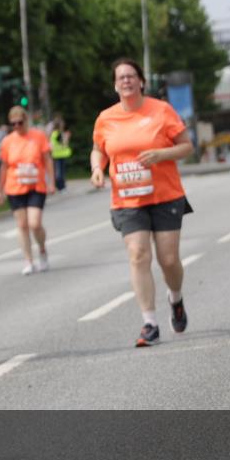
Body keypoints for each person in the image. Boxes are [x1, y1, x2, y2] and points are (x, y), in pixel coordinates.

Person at [91, 58, 194, 348]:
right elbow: (98, 150)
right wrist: (97, 168)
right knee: (138, 254)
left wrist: (161, 155)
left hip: (165, 195)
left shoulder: (161, 111)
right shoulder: (106, 118)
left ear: (141, 81)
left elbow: (187, 146)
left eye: (131, 76)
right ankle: (149, 322)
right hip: (127, 198)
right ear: (115, 84)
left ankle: (175, 298)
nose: (126, 81)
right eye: (121, 77)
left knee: (169, 260)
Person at [0, 106, 56, 275]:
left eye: (20, 123)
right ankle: (29, 260)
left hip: (36, 186)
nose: (16, 126)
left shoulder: (38, 136)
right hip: (15, 187)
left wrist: (51, 182)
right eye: (13, 124)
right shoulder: (8, 141)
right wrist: (0, 190)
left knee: (34, 223)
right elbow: (4, 166)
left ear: (26, 121)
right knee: (22, 225)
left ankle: (42, 250)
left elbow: (48, 160)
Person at [48, 113, 72, 191]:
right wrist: (67, 136)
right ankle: (60, 187)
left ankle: (60, 186)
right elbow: (64, 143)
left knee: (59, 172)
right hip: (59, 155)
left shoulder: (53, 133)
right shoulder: (58, 134)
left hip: (56, 155)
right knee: (60, 173)